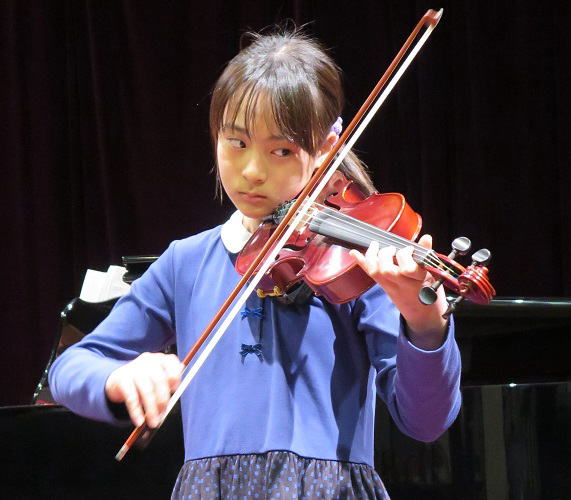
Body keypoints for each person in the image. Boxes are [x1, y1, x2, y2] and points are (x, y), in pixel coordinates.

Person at [49, 27, 461, 499]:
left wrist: (424, 322)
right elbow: (71, 368)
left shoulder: (358, 261)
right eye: (236, 142)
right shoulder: (187, 263)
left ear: (327, 150)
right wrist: (117, 377)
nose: (251, 171)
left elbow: (425, 422)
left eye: (281, 150)